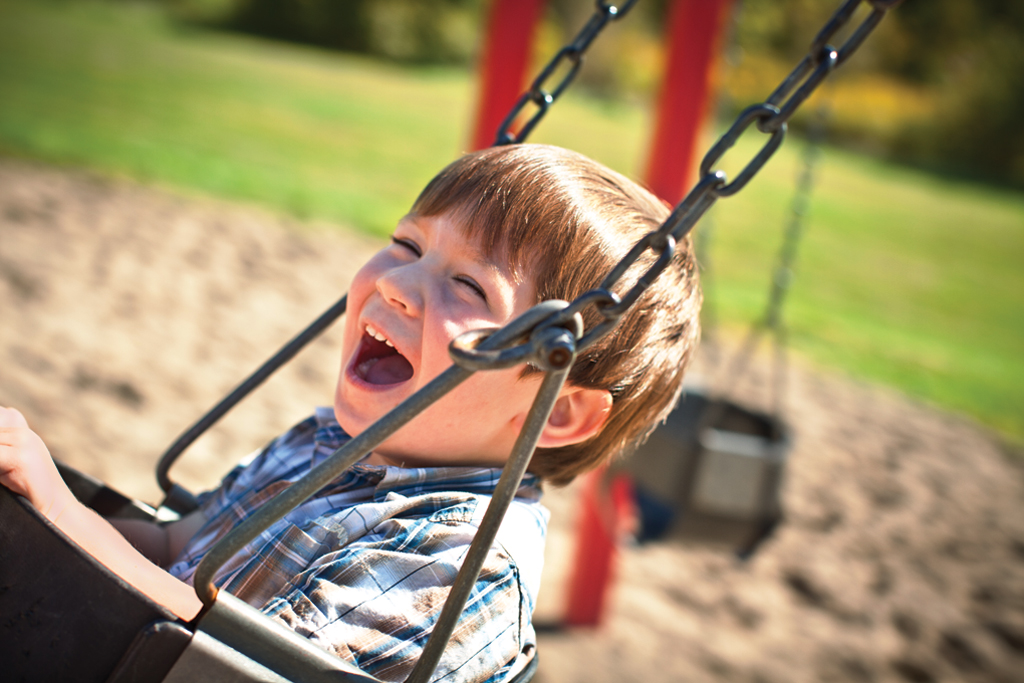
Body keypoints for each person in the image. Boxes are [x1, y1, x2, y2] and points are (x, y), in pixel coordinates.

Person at [0, 144, 701, 683]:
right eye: (407, 245)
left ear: (556, 414)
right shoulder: (328, 440)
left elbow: (233, 665)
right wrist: (33, 507)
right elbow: (174, 548)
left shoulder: (463, 563)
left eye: (467, 285)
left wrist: (59, 509)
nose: (398, 284)